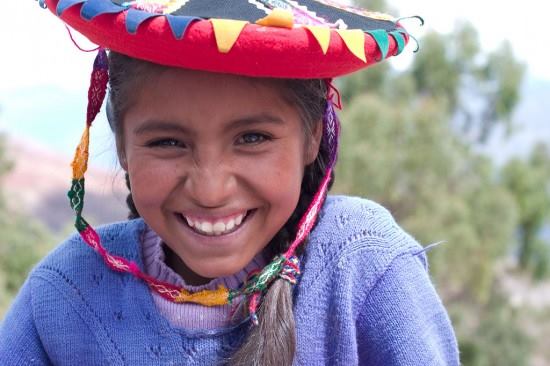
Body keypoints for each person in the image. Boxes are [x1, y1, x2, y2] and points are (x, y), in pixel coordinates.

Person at [0, 0, 459, 365]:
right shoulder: (69, 291)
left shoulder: (362, 267)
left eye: (252, 138)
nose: (210, 190)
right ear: (122, 145)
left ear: (312, 136)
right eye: (167, 143)